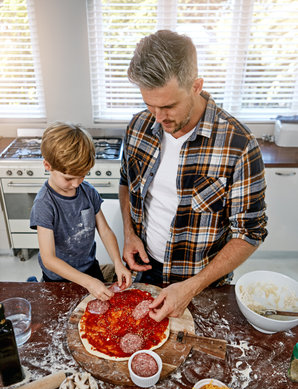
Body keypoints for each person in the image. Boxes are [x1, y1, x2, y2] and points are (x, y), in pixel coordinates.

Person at [119, 30, 267, 322]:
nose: (158, 118)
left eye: (169, 106)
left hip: (203, 283)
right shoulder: (138, 125)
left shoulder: (239, 144)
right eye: (151, 105)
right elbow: (126, 182)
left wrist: (190, 287)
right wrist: (129, 233)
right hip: (145, 271)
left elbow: (250, 233)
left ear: (196, 86)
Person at [30, 122, 131, 300]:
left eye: (83, 175)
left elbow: (105, 231)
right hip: (58, 278)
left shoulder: (88, 191)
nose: (76, 184)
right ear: (48, 165)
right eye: (69, 178)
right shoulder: (44, 204)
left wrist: (118, 263)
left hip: (90, 268)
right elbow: (48, 259)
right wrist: (87, 282)